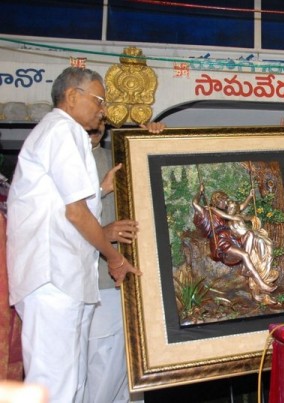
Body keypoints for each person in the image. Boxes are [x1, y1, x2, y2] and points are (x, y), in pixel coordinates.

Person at [6, 67, 141, 403]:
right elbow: (75, 213)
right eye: (99, 99)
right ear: (71, 97)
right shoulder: (62, 130)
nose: (103, 109)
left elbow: (61, 203)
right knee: (56, 385)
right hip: (54, 278)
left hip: (67, 278)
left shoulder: (67, 135)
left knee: (74, 383)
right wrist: (115, 259)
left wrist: (100, 190)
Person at [84, 119, 164, 403]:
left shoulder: (114, 156)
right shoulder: (61, 160)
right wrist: (102, 235)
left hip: (128, 283)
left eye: (100, 116)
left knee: (128, 375)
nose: (96, 123)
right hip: (93, 284)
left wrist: (149, 138)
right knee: (100, 374)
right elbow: (55, 222)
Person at [192, 185, 278, 297]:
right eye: (224, 200)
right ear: (217, 200)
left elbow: (239, 208)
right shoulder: (207, 211)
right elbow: (194, 203)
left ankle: (245, 267)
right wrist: (200, 192)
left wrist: (249, 197)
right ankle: (261, 283)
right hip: (221, 242)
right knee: (245, 254)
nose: (226, 202)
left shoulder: (224, 214)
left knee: (250, 234)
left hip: (231, 238)